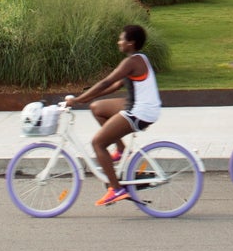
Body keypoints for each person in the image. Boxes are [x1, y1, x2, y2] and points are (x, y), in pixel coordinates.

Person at [65, 23, 161, 207]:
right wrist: (87, 99)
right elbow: (115, 86)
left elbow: (105, 82)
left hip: (140, 111)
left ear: (131, 43)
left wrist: (78, 100)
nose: (119, 42)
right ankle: (122, 150)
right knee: (97, 108)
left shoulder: (131, 62)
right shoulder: (138, 58)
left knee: (97, 143)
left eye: (121, 39)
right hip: (141, 107)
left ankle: (116, 190)